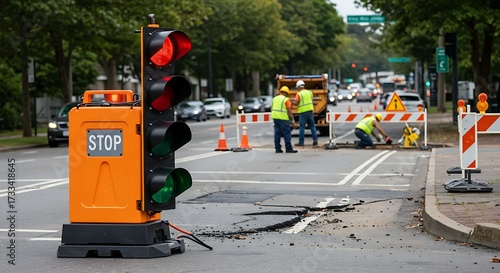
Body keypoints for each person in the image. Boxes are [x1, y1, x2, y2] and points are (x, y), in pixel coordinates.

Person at [271, 86, 297, 153]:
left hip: (275, 117)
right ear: (286, 93)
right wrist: (292, 119)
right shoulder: (286, 99)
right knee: (287, 133)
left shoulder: (274, 98)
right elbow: (289, 110)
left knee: (277, 133)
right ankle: (288, 148)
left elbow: (271, 107)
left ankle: (277, 148)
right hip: (283, 118)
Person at [292, 80, 318, 146]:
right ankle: (315, 140)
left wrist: (292, 102)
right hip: (310, 111)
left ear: (299, 87)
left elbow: (296, 102)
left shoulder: (299, 94)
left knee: (302, 127)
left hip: (303, 112)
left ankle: (301, 142)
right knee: (312, 126)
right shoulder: (309, 92)